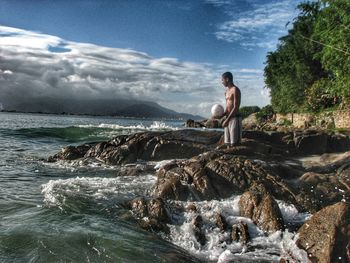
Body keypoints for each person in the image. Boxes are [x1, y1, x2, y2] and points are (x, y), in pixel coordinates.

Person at [221, 72, 242, 147]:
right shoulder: (226, 92)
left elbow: (236, 107)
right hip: (228, 118)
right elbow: (227, 108)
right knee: (227, 143)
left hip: (235, 119)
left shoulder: (235, 90)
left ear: (227, 79)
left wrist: (227, 120)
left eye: (222, 80)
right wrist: (221, 115)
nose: (222, 82)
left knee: (235, 144)